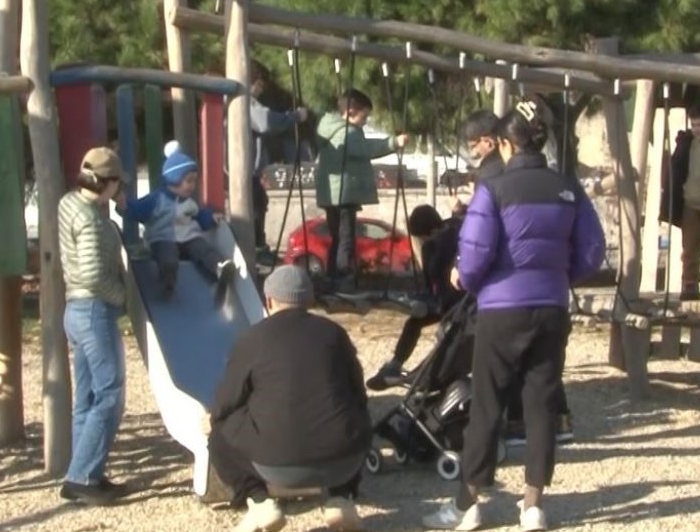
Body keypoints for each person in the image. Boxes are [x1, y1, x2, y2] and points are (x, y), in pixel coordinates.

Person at [423, 99, 605, 532]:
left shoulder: (495, 189)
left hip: (502, 310)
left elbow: (475, 253)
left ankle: (467, 505)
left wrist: (462, 277)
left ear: (506, 144)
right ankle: (533, 506)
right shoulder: (567, 187)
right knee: (541, 403)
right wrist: (559, 275)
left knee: (488, 403)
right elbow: (593, 252)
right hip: (551, 305)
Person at [209, 265, 371, 532]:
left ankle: (260, 502)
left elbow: (227, 400)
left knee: (219, 432)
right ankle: (341, 497)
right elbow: (358, 393)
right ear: (309, 299)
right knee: (353, 415)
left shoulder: (253, 338)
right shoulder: (334, 334)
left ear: (269, 300)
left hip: (275, 463)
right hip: (343, 460)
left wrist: (219, 416)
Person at [57, 146, 131, 505]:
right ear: (108, 183)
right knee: (110, 392)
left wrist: (111, 209)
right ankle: (81, 477)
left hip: (74, 309)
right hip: (94, 309)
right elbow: (91, 273)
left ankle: (85, 471)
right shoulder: (90, 219)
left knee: (85, 397)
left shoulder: (70, 204)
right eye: (118, 183)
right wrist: (124, 296)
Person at [315, 89, 408, 292]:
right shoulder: (346, 132)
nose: (366, 121)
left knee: (337, 237)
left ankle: (331, 276)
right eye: (364, 116)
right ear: (350, 111)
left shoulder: (330, 128)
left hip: (333, 194)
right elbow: (366, 149)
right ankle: (342, 276)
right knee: (345, 238)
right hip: (343, 194)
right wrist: (394, 142)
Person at [366, 204, 463, 391]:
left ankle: (411, 371)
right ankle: (403, 369)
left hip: (451, 303)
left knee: (421, 325)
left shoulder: (434, 245)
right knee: (419, 323)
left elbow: (432, 277)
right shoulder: (457, 231)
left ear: (428, 231)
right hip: (464, 300)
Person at [124, 141, 234, 296]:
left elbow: (198, 216)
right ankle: (167, 281)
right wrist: (126, 206)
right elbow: (139, 210)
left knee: (201, 248)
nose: (192, 185)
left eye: (194, 181)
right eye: (188, 181)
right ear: (173, 179)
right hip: (163, 238)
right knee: (167, 256)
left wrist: (210, 217)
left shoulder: (189, 202)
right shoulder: (157, 200)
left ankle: (218, 267)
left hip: (187, 239)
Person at [659, 99, 700, 301]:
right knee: (690, 247)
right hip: (691, 203)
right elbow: (676, 168)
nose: (696, 129)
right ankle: (690, 284)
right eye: (693, 125)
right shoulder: (688, 143)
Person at [250, 63, 309, 264]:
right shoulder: (245, 103)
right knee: (255, 207)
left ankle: (258, 245)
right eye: (259, 84)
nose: (261, 89)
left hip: (252, 171)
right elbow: (268, 121)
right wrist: (295, 116)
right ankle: (256, 247)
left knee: (259, 203)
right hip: (245, 172)